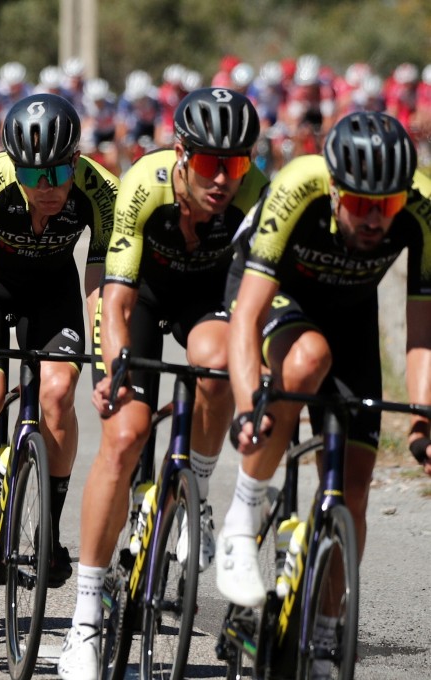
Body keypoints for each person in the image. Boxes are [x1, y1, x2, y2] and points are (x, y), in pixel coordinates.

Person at [57, 87, 267, 679]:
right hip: (143, 297)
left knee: (218, 362)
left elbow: (260, 299)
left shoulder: (256, 194)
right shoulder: (143, 185)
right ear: (181, 154)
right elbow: (116, 303)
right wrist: (114, 368)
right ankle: (87, 617)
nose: (223, 179)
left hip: (209, 298)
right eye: (208, 164)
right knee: (124, 437)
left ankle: (196, 487)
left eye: (237, 163)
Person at [220, 113, 428, 676]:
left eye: (385, 208)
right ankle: (243, 515)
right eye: (359, 204)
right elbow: (245, 319)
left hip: (351, 313)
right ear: (335, 189)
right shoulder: (297, 189)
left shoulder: (423, 211)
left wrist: (421, 423)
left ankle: (329, 629)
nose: (371, 219)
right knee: (308, 358)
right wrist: (247, 407)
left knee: (354, 492)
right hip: (277, 295)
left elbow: (423, 331)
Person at [0, 94, 118, 589]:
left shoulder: (101, 191)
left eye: (58, 173)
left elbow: (98, 286)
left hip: (52, 291)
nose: (48, 188)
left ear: (76, 160)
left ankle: (50, 529)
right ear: (15, 168)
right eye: (33, 177)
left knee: (58, 393)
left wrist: (103, 360)